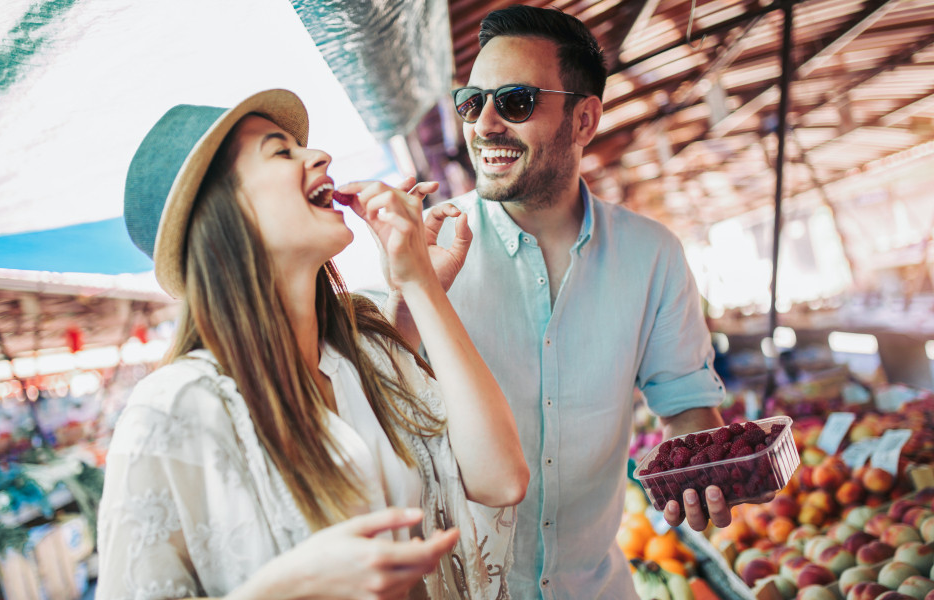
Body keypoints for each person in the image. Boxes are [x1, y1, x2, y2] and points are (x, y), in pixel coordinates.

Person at [97, 88, 529, 600]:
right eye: (281, 152)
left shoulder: (365, 353)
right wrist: (288, 588)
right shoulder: (172, 411)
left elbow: (502, 480)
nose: (319, 155)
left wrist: (420, 283)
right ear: (223, 216)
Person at [389, 6, 731, 599]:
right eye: (473, 101)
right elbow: (373, 402)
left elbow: (687, 406)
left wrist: (701, 468)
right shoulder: (422, 251)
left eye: (516, 101)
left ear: (584, 119)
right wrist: (408, 295)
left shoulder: (653, 255)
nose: (485, 123)